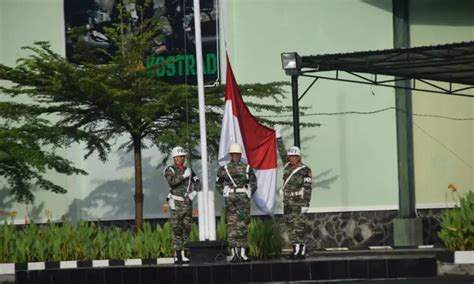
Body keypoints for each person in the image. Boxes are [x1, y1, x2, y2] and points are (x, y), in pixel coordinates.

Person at [275, 126, 312, 259]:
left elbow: (307, 187)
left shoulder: (305, 170)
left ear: (299, 156)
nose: (291, 158)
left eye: (294, 156)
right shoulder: (287, 166)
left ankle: (301, 250)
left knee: (299, 226)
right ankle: (294, 248)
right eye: (290, 156)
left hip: (298, 201)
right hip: (288, 201)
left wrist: (306, 203)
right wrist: (278, 137)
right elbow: (282, 152)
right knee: (290, 225)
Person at [216, 143, 257, 262]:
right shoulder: (224, 169)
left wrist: (250, 191)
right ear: (230, 155)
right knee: (232, 225)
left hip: (242, 196)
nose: (236, 156)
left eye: (237, 154)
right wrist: (224, 191)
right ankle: (235, 253)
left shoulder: (247, 168)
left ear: (240, 155)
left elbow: (254, 183)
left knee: (242, 225)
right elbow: (218, 184)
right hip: (232, 197)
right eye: (234, 154)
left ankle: (242, 252)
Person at [163, 146, 200, 264]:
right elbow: (172, 182)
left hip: (187, 204)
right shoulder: (170, 170)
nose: (182, 158)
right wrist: (184, 176)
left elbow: (198, 182)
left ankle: (184, 254)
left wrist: (194, 193)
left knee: (187, 229)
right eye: (179, 156)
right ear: (174, 158)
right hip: (177, 204)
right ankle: (177, 254)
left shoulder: (189, 169)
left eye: (183, 156)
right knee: (177, 229)